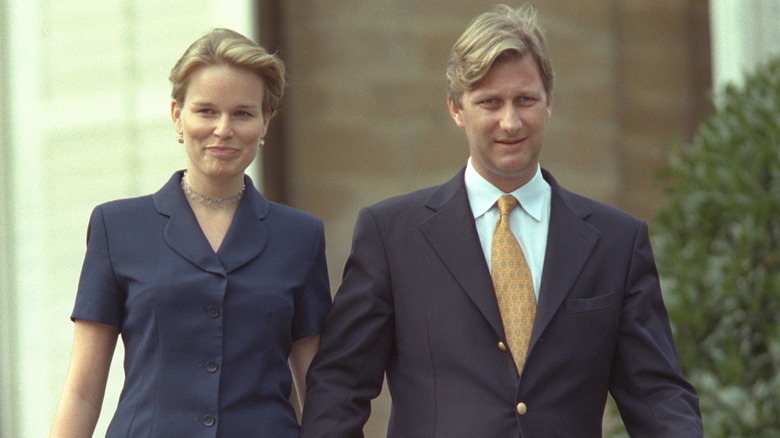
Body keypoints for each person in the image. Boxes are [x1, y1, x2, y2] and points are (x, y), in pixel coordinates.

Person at [300, 4, 702, 437]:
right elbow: (339, 388)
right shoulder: (391, 234)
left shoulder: (617, 242)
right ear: (456, 109)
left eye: (525, 100)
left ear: (549, 104)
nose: (510, 122)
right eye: (489, 102)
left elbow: (658, 397)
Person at [50, 28, 331, 437]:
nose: (223, 129)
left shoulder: (301, 237)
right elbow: (82, 392)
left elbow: (318, 390)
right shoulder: (117, 227)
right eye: (206, 111)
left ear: (265, 121)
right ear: (177, 115)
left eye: (242, 113)